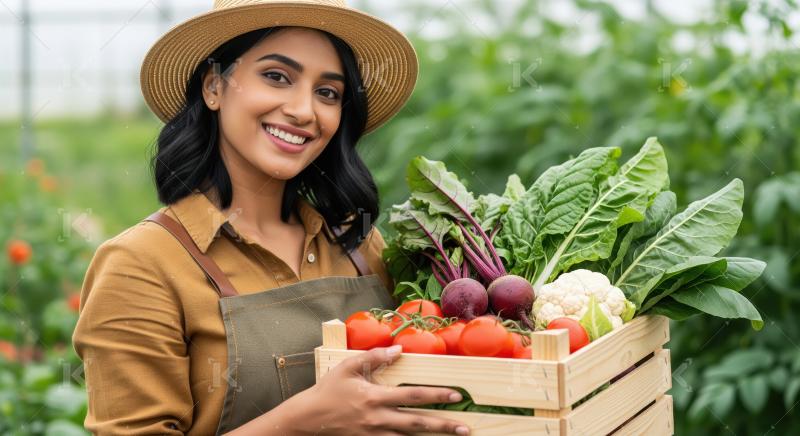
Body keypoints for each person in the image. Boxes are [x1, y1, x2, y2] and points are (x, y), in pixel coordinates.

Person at [71, 0, 470, 435]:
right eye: (277, 77)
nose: (303, 110)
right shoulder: (141, 264)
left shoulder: (358, 242)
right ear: (214, 88)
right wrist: (306, 421)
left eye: (327, 92)